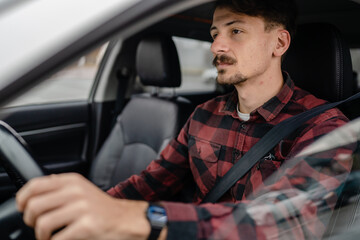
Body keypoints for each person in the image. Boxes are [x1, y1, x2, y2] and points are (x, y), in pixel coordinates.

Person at [16, 0, 352, 239]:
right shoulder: (203, 115)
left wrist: (145, 220)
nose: (217, 45)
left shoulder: (324, 129)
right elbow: (151, 182)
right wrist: (89, 207)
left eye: (236, 31)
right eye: (214, 33)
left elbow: (289, 224)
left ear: (279, 42)